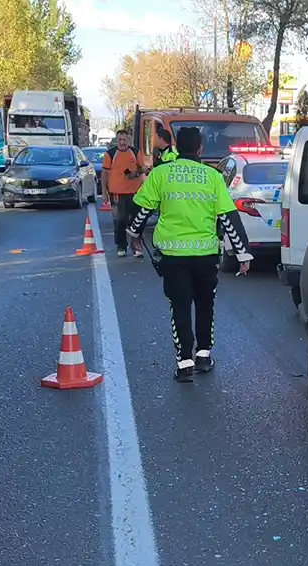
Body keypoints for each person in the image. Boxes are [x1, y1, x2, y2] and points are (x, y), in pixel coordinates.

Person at [127, 126, 253, 383]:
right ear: (200, 148)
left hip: (173, 256)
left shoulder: (162, 173)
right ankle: (204, 356)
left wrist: (134, 232)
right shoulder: (212, 176)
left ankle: (184, 362)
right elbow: (228, 217)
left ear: (176, 146)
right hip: (206, 256)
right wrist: (243, 254)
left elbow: (142, 209)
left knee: (180, 306)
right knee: (206, 304)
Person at [101, 129, 145, 258]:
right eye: (119, 139)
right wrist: (104, 191)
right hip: (117, 193)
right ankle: (121, 246)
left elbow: (143, 168)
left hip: (135, 193)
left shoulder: (135, 152)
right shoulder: (110, 154)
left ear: (128, 140)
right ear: (116, 140)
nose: (122, 142)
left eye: (124, 140)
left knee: (136, 221)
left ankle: (136, 245)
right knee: (120, 221)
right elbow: (104, 173)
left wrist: (135, 174)